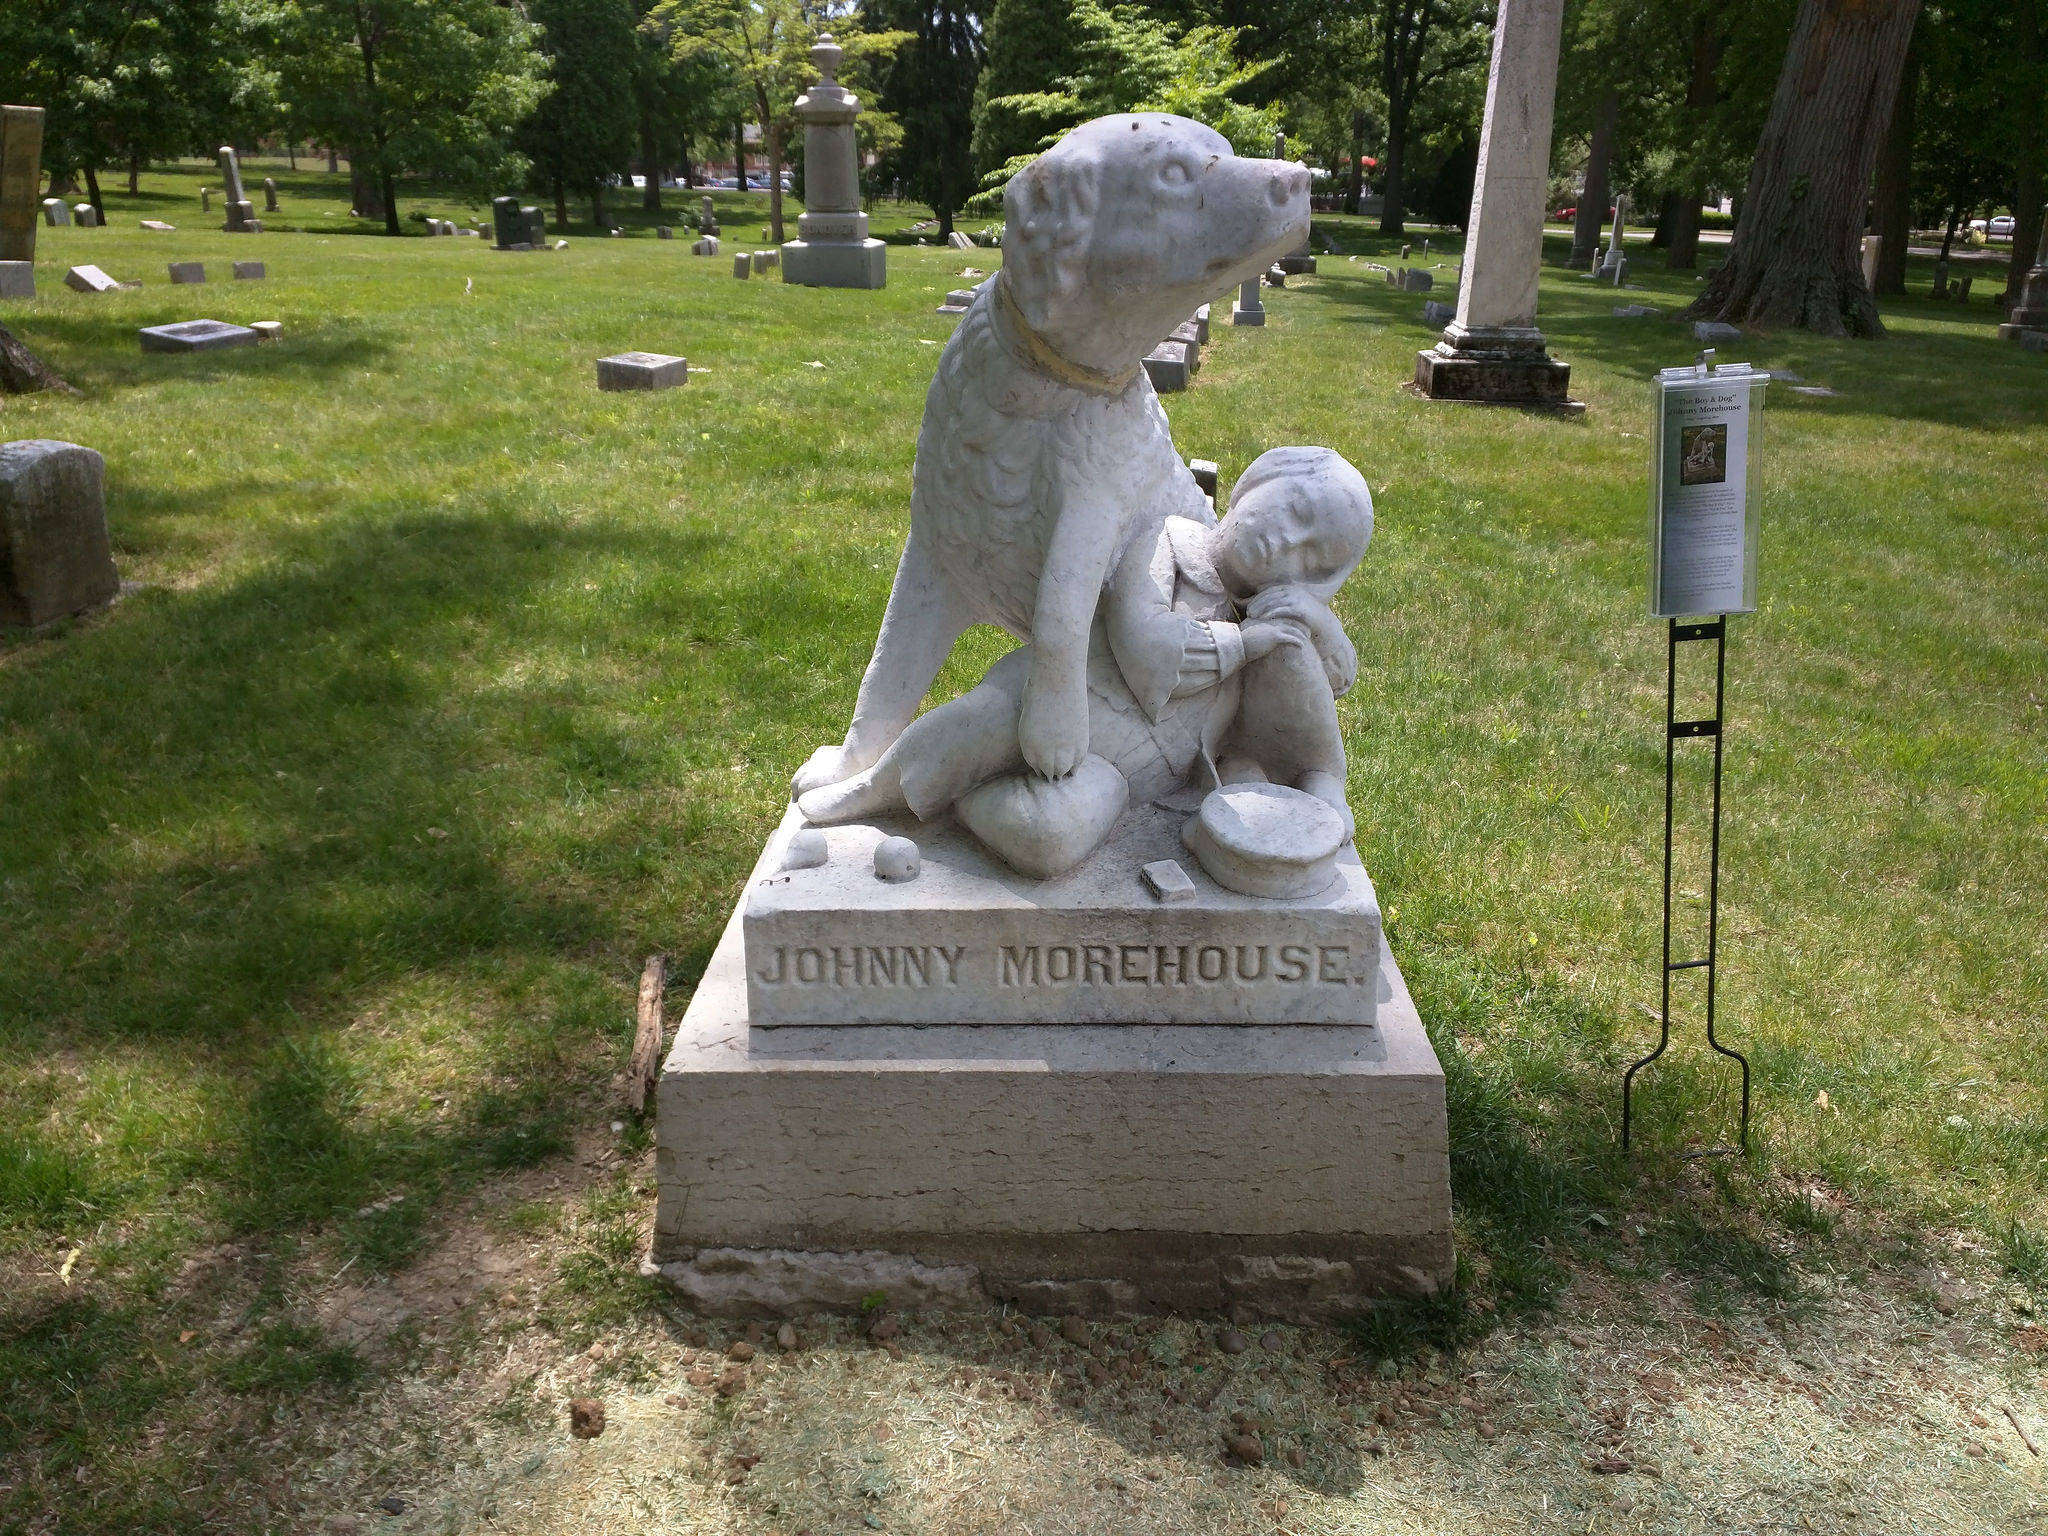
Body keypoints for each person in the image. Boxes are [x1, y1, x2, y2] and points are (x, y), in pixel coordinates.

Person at [796, 446, 1375, 877]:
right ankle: (875, 789)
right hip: (1064, 698)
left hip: (1131, 771)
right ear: (1262, 481)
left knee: (1049, 843)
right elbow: (1147, 650)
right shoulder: (1171, 540)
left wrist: (1316, 621)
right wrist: (1246, 644)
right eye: (1295, 511)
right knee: (973, 727)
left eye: (1311, 557)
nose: (1286, 543)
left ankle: (962, 800)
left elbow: (1324, 687)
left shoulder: (1275, 622)